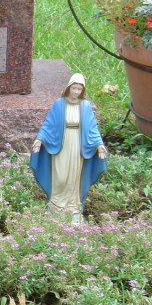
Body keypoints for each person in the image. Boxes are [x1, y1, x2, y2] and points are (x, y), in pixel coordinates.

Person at [30, 73, 107, 224]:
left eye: (79, 89)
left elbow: (92, 128)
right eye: (74, 88)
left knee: (74, 175)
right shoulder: (59, 104)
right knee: (60, 175)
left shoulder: (85, 106)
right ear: (68, 88)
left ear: (82, 91)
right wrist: (40, 139)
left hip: (77, 143)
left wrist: (99, 145)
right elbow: (49, 124)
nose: (76, 91)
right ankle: (55, 204)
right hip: (61, 143)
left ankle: (73, 206)